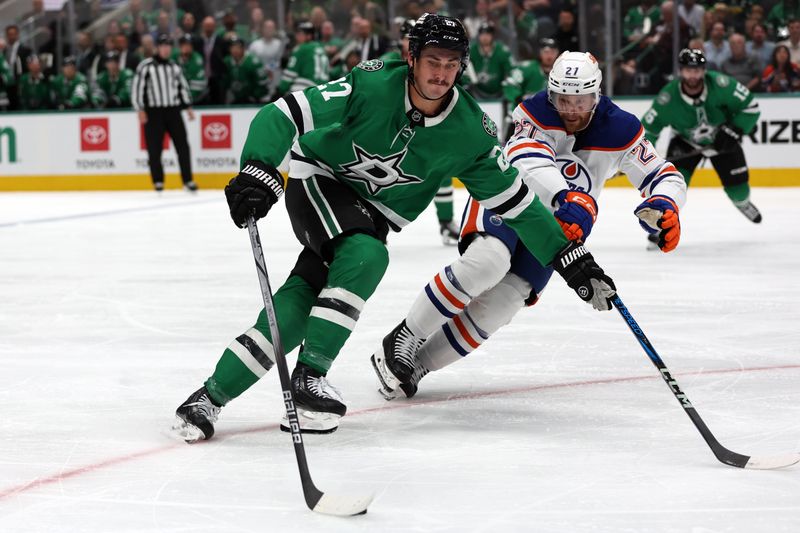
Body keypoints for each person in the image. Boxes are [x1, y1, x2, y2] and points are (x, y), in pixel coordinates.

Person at [172, 14, 616, 442]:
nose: (442, 74)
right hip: (322, 178)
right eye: (432, 62)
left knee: (299, 303)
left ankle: (208, 398)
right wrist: (259, 169)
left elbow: (518, 204)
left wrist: (568, 258)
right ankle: (310, 380)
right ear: (412, 57)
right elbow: (282, 114)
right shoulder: (371, 84)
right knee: (366, 255)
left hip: (371, 215)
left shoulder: (470, 131)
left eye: (451, 64)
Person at [369, 51, 686, 400]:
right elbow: (526, 160)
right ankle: (406, 335)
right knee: (487, 262)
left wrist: (665, 203)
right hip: (511, 202)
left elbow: (661, 173)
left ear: (596, 95)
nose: (570, 110)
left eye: (580, 100)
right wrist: (567, 197)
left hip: (560, 231)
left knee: (505, 301)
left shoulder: (621, 128)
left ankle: (419, 365)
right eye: (563, 99)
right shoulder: (534, 110)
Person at [642, 48, 762, 227]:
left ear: (704, 70)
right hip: (685, 142)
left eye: (697, 70)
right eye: (688, 70)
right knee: (673, 184)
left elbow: (751, 107)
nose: (693, 75)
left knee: (739, 192)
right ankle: (663, 220)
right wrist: (644, 158)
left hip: (723, 139)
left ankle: (742, 204)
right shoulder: (667, 98)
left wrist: (734, 130)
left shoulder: (721, 85)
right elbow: (649, 130)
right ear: (681, 71)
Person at [132, 34, 197, 192]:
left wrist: (188, 107)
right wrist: (140, 109)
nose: (166, 49)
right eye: (163, 46)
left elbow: (183, 87)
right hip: (154, 112)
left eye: (168, 46)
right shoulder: (146, 66)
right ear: (157, 48)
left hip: (173, 111)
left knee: (182, 146)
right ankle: (158, 181)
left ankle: (187, 180)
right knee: (154, 148)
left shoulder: (174, 66)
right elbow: (137, 88)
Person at [277, 21, 329, 95]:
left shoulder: (301, 49)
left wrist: (279, 91)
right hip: (323, 92)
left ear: (309, 36)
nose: (296, 36)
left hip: (307, 90)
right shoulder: (321, 48)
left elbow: (289, 76)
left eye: (299, 34)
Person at [464, 21, 512, 100]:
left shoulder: (502, 51)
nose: (485, 37)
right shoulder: (471, 50)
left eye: (488, 34)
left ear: (493, 36)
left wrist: (506, 86)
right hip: (475, 93)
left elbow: (509, 70)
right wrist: (469, 82)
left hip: (499, 94)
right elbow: (464, 70)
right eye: (482, 34)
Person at [222, 36, 269, 104]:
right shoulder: (227, 61)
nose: (235, 50)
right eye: (232, 47)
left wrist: (256, 96)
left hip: (255, 99)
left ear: (243, 48)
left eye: (238, 47)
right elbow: (225, 81)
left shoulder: (253, 62)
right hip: (237, 97)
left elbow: (262, 82)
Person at [173, 33, 207, 103]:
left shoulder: (197, 59)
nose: (186, 47)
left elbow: (198, 83)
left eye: (189, 44)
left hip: (195, 99)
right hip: (176, 98)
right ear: (180, 46)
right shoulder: (174, 56)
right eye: (184, 44)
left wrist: (186, 98)